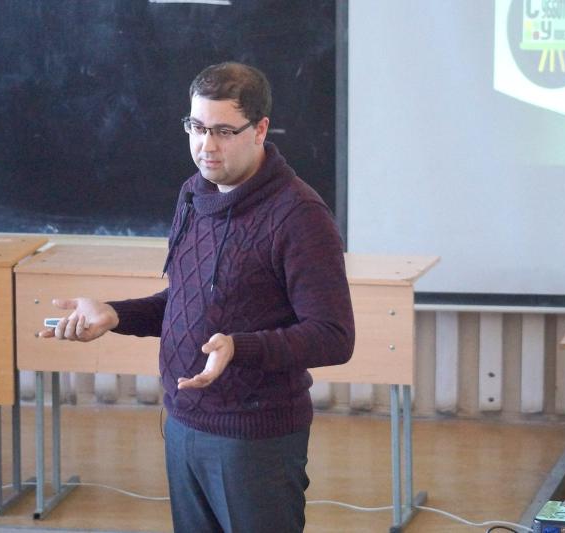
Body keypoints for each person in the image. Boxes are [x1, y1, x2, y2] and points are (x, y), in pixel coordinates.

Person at [40, 61, 354, 533]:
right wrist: (115, 315)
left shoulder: (299, 215)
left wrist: (240, 347)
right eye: (197, 127)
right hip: (183, 422)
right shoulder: (193, 194)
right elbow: (190, 299)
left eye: (224, 131)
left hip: (254, 437)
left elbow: (333, 336)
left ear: (260, 129)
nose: (206, 145)